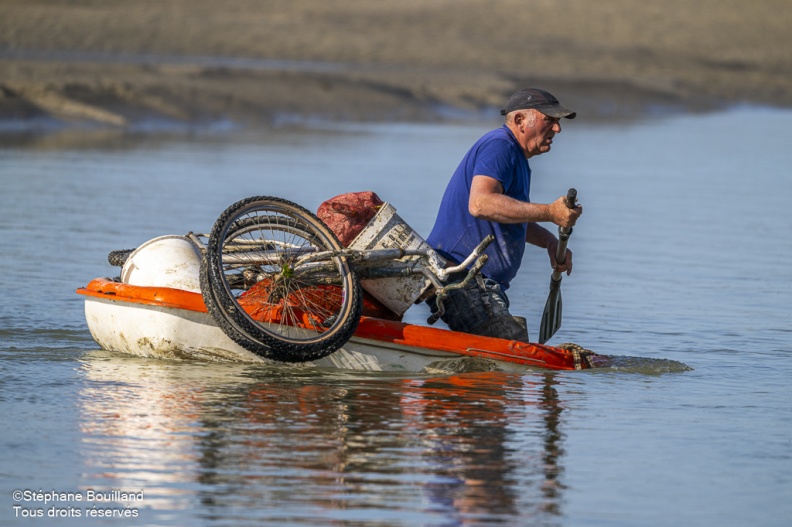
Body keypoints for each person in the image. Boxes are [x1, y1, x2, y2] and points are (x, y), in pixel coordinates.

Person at [425, 88, 582, 342]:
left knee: (505, 358)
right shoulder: (500, 146)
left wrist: (549, 242)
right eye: (549, 120)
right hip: (462, 275)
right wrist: (550, 212)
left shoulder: (516, 157)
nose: (557, 129)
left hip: (475, 280)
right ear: (520, 120)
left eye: (558, 122)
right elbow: (481, 204)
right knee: (509, 354)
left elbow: (509, 215)